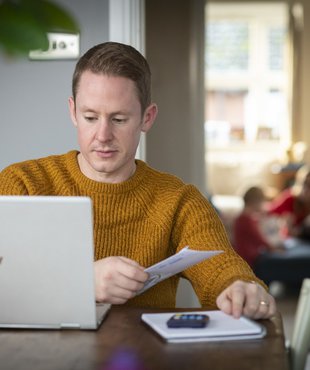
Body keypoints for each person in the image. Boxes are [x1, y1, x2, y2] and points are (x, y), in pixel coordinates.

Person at [0, 42, 276, 319]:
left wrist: (243, 288)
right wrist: (81, 282)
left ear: (147, 117)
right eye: (90, 117)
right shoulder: (21, 184)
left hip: (146, 358)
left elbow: (221, 268)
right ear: (73, 112)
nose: (103, 135)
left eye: (119, 119)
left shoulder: (178, 200)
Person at [233, 186, 283, 269]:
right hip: (248, 259)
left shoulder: (243, 217)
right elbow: (260, 239)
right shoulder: (246, 220)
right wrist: (275, 249)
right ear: (255, 201)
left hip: (247, 255)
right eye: (262, 202)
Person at [267, 165, 310, 238]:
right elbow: (269, 211)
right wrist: (280, 222)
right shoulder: (290, 198)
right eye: (305, 183)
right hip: (290, 241)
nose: (306, 189)